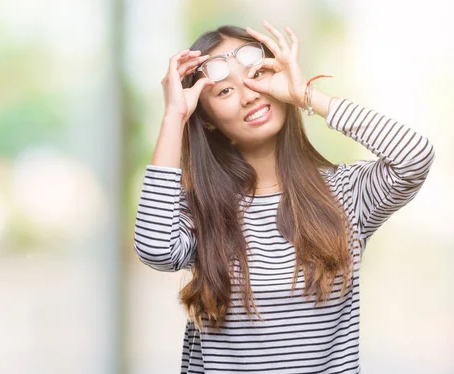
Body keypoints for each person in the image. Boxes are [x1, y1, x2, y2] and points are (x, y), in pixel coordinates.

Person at [133, 20, 435, 373]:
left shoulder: (345, 192)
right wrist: (174, 116)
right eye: (225, 92)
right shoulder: (204, 208)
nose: (248, 95)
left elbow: (414, 156)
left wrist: (306, 94)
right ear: (209, 119)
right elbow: (155, 250)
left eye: (256, 75)